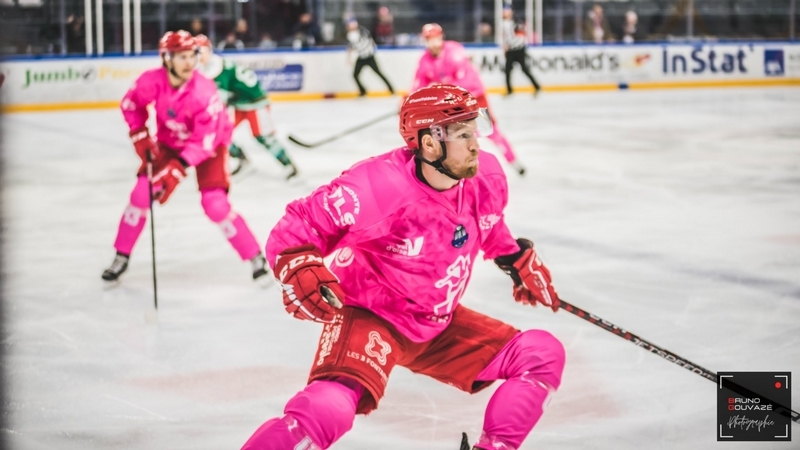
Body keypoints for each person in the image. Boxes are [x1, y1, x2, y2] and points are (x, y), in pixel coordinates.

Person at [241, 85, 565, 450]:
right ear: (430, 144)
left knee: (541, 354)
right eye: (463, 134)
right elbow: (300, 225)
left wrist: (514, 257)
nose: (476, 143)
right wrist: (299, 265)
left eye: (475, 130)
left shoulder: (485, 176)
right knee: (330, 406)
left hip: (434, 323)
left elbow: (485, 225)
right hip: (371, 315)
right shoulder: (376, 187)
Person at [101, 31, 269, 283]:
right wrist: (140, 135)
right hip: (169, 142)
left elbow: (205, 141)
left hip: (210, 146)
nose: (190, 62)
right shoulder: (152, 81)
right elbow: (131, 104)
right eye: (182, 57)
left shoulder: (204, 91)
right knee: (140, 194)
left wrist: (176, 169)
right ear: (166, 58)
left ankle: (255, 255)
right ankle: (121, 255)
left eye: (192, 56)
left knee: (215, 205)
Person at [411, 23, 526, 175]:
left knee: (491, 133)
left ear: (441, 37)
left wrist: (440, 90)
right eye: (429, 40)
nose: (433, 43)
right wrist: (409, 102)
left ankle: (513, 161)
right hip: (451, 106)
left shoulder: (454, 52)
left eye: (436, 39)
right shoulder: (425, 60)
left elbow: (469, 83)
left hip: (474, 101)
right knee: (449, 138)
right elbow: (418, 85)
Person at [196, 34, 299, 179]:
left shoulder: (217, 69)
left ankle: (288, 165)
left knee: (263, 137)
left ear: (209, 50)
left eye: (200, 51)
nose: (197, 55)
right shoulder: (213, 65)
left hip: (255, 103)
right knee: (221, 133)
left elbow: (220, 99)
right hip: (240, 103)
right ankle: (243, 160)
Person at [346, 19, 394, 97]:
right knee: (355, 75)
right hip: (361, 57)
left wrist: (372, 49)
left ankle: (391, 89)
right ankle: (363, 91)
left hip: (369, 56)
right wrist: (348, 58)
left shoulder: (363, 31)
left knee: (379, 73)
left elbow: (370, 40)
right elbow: (351, 47)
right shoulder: (350, 35)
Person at [501, 6, 541, 96]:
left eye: (506, 11)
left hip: (519, 50)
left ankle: (537, 87)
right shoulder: (504, 23)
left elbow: (521, 36)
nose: (504, 13)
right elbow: (505, 37)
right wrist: (505, 47)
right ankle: (509, 90)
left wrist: (510, 45)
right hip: (510, 51)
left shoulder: (516, 23)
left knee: (525, 70)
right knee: (507, 70)